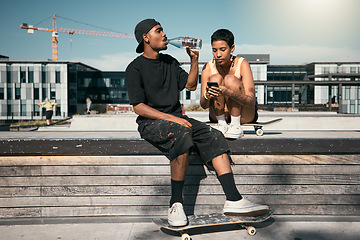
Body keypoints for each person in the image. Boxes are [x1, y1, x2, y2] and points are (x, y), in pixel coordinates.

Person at [125, 19, 269, 227]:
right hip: (151, 122)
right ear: (146, 38)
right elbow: (138, 107)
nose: (165, 34)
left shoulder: (170, 62)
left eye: (163, 29)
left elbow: (191, 85)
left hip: (177, 119)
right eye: (159, 31)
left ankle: (234, 199)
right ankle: (175, 204)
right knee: (182, 134)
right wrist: (174, 118)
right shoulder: (135, 68)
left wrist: (194, 61)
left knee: (214, 135)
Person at [200, 29, 258, 139]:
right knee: (215, 78)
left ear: (232, 48)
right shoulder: (208, 67)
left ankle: (235, 126)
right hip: (218, 116)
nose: (218, 54)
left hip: (244, 115)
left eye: (222, 50)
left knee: (230, 79)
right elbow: (203, 105)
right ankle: (222, 124)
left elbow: (251, 101)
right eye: (214, 50)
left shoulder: (242, 64)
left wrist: (229, 93)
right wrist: (207, 95)